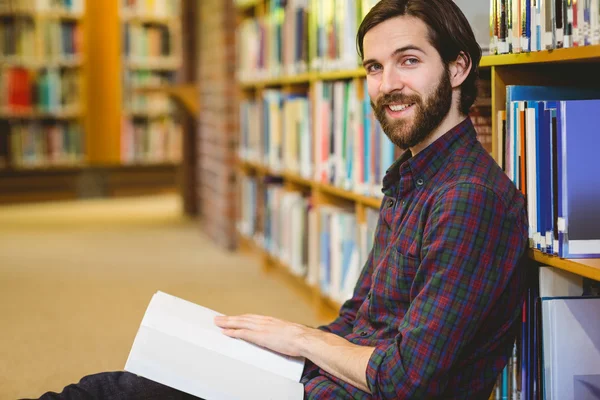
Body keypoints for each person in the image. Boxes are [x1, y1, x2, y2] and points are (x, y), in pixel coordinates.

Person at [28, 0, 528, 399]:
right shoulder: (414, 177)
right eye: (374, 67)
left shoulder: (468, 199)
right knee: (140, 374)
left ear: (459, 67)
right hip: (322, 382)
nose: (388, 84)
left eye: (409, 61)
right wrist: (275, 353)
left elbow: (406, 381)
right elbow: (357, 318)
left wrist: (302, 341)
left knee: (117, 392)